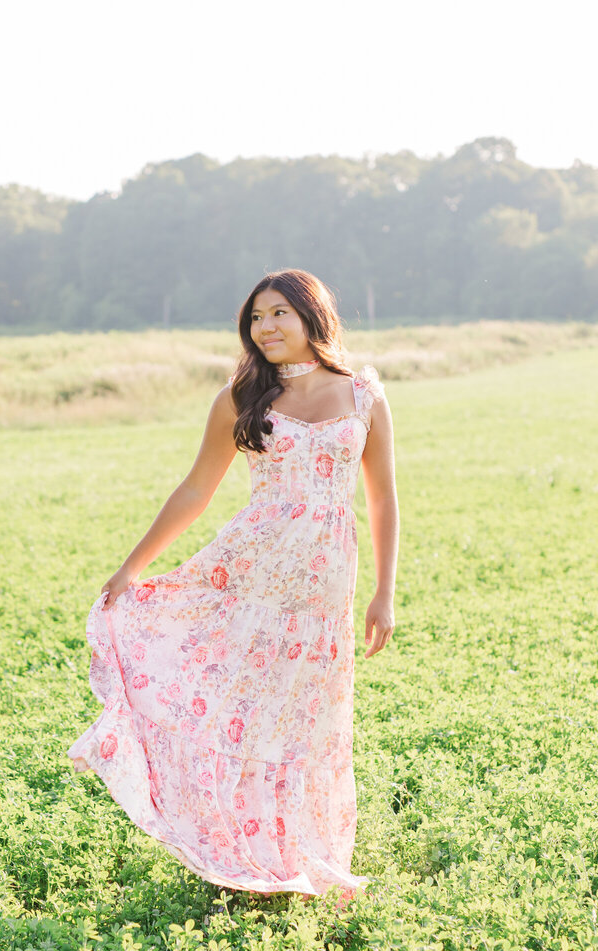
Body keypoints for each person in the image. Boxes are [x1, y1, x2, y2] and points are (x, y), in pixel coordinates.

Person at [68, 268, 398, 901]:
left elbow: (383, 501)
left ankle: (299, 849)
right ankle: (234, 841)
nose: (265, 327)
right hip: (250, 571)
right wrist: (132, 567)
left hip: (326, 581)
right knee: (241, 703)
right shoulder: (241, 398)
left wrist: (385, 591)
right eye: (255, 318)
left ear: (312, 318)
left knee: (308, 712)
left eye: (279, 314)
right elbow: (197, 489)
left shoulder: (364, 397)